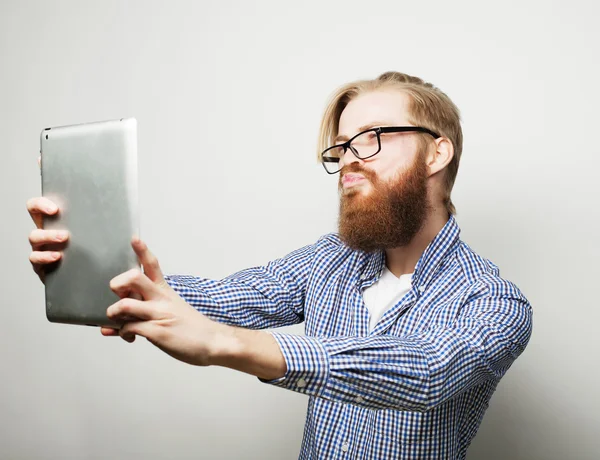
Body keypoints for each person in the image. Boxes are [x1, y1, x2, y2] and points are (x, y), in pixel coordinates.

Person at [27, 71, 533, 459]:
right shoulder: (330, 259)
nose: (349, 160)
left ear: (437, 153)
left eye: (372, 137)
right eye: (341, 147)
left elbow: (425, 371)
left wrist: (225, 346)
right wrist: (95, 268)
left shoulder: (494, 301)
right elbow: (227, 297)